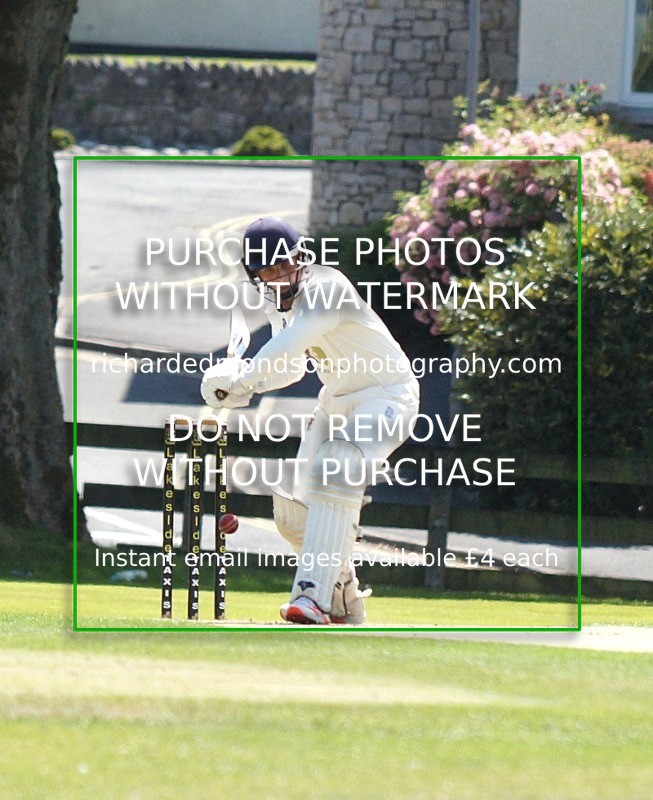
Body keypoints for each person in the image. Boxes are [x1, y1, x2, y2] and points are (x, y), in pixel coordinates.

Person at [201, 216, 420, 625]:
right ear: (256, 275)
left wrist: (244, 374)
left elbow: (296, 338)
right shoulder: (279, 304)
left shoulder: (327, 286)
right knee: (293, 515)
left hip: (388, 395)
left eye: (287, 262)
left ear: (302, 256)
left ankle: (311, 599)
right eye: (271, 269)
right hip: (335, 403)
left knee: (337, 467)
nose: (282, 273)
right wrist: (247, 387)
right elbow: (293, 368)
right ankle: (345, 600)